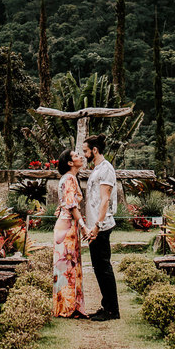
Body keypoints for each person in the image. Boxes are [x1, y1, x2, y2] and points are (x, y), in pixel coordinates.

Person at [82, 133, 119, 320]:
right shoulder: (97, 169)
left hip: (101, 227)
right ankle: (107, 306)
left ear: (94, 150)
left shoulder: (106, 169)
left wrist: (97, 225)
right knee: (98, 267)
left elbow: (105, 200)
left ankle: (112, 311)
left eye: (86, 151)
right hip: (94, 226)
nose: (84, 155)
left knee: (104, 267)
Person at [52, 147, 89, 318]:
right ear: (69, 162)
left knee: (69, 265)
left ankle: (70, 306)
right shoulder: (69, 178)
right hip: (67, 227)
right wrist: (83, 226)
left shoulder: (70, 178)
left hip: (67, 225)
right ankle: (67, 307)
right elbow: (72, 205)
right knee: (67, 266)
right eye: (76, 156)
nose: (80, 157)